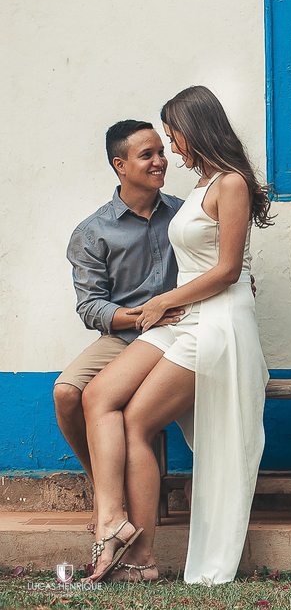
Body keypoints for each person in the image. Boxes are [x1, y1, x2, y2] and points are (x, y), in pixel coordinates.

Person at [81, 86, 273, 585]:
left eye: (173, 138)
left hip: (216, 321)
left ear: (197, 129)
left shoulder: (230, 183)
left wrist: (164, 300)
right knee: (98, 394)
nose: (172, 150)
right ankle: (111, 522)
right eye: (163, 142)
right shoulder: (201, 186)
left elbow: (229, 270)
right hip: (185, 317)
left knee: (138, 423)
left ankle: (141, 560)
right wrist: (169, 305)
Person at [56, 121, 187, 534]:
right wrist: (145, 315)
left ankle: (117, 503)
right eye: (147, 155)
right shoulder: (93, 231)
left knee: (119, 406)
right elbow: (91, 306)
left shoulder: (186, 214)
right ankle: (103, 487)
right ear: (121, 164)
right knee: (65, 392)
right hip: (124, 335)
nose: (159, 161)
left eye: (161, 152)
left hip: (181, 332)